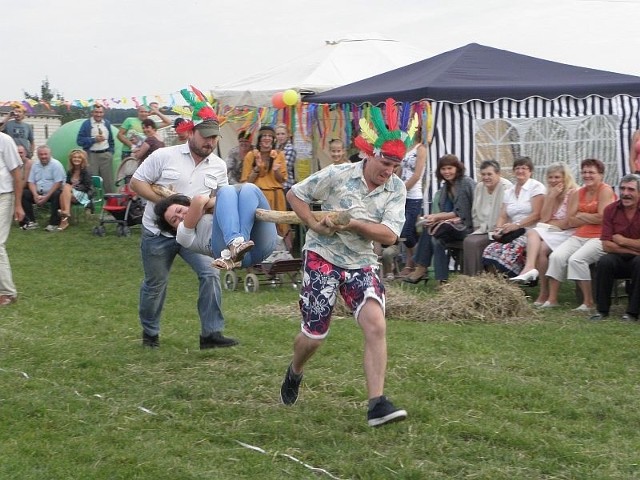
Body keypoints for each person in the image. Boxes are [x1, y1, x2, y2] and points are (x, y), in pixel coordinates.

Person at [279, 100, 412, 427]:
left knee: (376, 324)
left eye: (395, 166)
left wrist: (353, 224)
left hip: (361, 262)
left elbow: (390, 236)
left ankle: (376, 405)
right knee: (314, 337)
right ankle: (295, 370)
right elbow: (295, 194)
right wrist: (311, 221)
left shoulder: (396, 189)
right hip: (322, 256)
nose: (388, 172)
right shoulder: (337, 175)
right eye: (385, 163)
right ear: (370, 154)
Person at [130, 93, 237, 350]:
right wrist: (165, 205)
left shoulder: (218, 166)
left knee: (210, 275)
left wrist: (204, 205)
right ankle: (150, 333)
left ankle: (211, 334)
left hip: (194, 233)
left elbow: (220, 199)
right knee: (155, 284)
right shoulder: (164, 156)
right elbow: (136, 183)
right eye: (205, 137)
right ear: (191, 133)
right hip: (158, 233)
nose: (210, 142)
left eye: (214, 137)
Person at [544, 159, 616, 310]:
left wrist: (581, 215)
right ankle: (552, 299)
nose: (587, 175)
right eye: (584, 172)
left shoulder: (606, 190)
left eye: (591, 172)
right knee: (556, 256)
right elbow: (570, 220)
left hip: (600, 236)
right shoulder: (578, 192)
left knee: (577, 259)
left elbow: (603, 217)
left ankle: (588, 302)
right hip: (579, 235)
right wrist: (591, 216)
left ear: (601, 175)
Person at [154, 183, 277, 269]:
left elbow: (234, 194)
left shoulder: (212, 209)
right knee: (225, 191)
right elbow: (199, 199)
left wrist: (207, 206)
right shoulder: (182, 235)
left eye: (179, 210)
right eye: (174, 220)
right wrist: (205, 205)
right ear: (173, 228)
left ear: (186, 205)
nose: (180, 216)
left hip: (260, 247)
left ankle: (238, 244)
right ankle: (234, 243)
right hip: (225, 253)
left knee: (250, 189)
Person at [510, 164, 579, 304]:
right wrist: (551, 198)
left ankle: (529, 268)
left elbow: (569, 222)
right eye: (550, 177)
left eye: (557, 177)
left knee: (534, 231)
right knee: (540, 249)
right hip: (554, 232)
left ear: (565, 178)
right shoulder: (550, 193)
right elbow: (545, 218)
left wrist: (552, 223)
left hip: (569, 233)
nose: (553, 180)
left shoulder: (573, 193)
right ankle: (544, 292)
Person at [404, 154, 475, 286]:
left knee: (432, 229)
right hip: (453, 228)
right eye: (443, 169)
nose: (446, 172)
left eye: (450, 168)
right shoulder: (446, 187)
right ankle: (441, 280)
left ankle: (421, 268)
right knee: (436, 239)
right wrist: (431, 218)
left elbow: (462, 213)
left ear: (457, 168)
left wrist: (437, 217)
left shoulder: (465, 183)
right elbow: (446, 211)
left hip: (468, 227)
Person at [481, 156, 545, 277]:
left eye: (524, 168)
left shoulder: (536, 187)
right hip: (512, 231)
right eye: (517, 168)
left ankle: (514, 283)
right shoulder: (509, 192)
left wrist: (517, 225)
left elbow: (537, 214)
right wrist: (499, 229)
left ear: (530, 171)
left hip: (531, 232)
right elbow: (503, 215)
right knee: (490, 250)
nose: (520, 171)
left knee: (507, 253)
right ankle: (498, 285)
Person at [589, 174, 640, 321]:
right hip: (619, 257)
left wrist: (623, 241)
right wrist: (633, 248)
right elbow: (606, 245)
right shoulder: (610, 210)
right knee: (605, 261)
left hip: (637, 261)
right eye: (622, 188)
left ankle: (632, 313)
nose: (625, 193)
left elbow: (616, 242)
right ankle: (602, 311)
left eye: (630, 189)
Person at [240, 125, 290, 241]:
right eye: (264, 136)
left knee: (280, 229)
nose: (267, 138)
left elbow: (282, 179)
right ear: (259, 139)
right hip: (257, 197)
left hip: (276, 196)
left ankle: (281, 255)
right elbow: (246, 183)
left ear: (273, 139)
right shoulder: (251, 155)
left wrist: (276, 171)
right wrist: (257, 169)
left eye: (270, 136)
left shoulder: (279, 155)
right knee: (259, 228)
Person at [462, 160, 512, 276]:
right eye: (483, 174)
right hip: (482, 229)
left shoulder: (506, 187)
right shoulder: (479, 187)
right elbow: (474, 210)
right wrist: (476, 227)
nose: (486, 177)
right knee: (468, 241)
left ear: (498, 174)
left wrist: (499, 230)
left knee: (474, 243)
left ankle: (478, 277)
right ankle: (472, 278)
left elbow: (508, 213)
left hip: (500, 231)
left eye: (489, 174)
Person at [0, 132, 25, 306]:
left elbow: (17, 174)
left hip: (3, 196)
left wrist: (18, 204)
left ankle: (8, 292)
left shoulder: (5, 140)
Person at [396, 136, 426, 278]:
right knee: (410, 233)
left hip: (414, 197)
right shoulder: (406, 147)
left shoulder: (421, 149)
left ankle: (421, 264)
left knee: (406, 233)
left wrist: (402, 189)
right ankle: (410, 265)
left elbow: (417, 175)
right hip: (403, 196)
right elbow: (400, 170)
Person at [21, 145, 66, 232]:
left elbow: (58, 183)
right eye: (41, 154)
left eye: (45, 154)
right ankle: (31, 222)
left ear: (50, 154)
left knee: (57, 194)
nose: (43, 156)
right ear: (38, 155)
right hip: (38, 193)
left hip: (52, 193)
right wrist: (35, 195)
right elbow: (31, 182)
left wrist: (46, 197)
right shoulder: (35, 165)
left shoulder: (56, 165)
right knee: (24, 193)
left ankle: (53, 223)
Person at [76, 104, 116, 193]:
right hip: (91, 156)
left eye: (100, 112)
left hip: (106, 155)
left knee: (108, 182)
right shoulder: (86, 124)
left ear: (103, 113)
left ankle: (111, 204)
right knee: (91, 181)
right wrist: (94, 140)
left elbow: (111, 140)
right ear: (92, 113)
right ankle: (93, 204)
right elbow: (79, 140)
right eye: (96, 112)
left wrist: (110, 153)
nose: (98, 114)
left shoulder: (107, 123)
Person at [57, 149, 93, 231]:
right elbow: (67, 184)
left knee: (66, 188)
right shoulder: (70, 172)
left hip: (84, 195)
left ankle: (66, 213)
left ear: (82, 159)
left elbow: (87, 187)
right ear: (71, 159)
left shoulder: (86, 171)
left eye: (79, 157)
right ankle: (64, 220)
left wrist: (74, 188)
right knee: (63, 193)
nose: (76, 159)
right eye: (74, 157)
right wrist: (70, 188)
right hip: (72, 195)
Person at [275, 123, 297, 193]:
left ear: (287, 135)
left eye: (282, 134)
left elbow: (284, 168)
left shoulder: (290, 149)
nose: (280, 136)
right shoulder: (277, 148)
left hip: (286, 185)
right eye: (278, 134)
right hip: (277, 185)